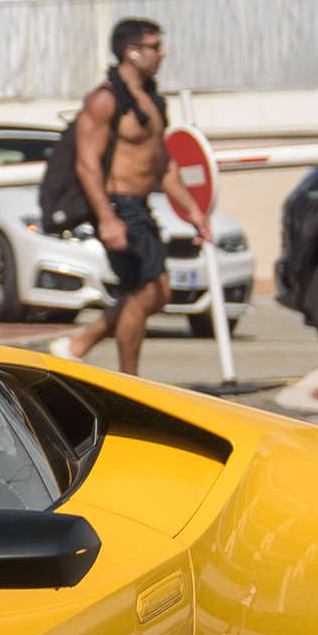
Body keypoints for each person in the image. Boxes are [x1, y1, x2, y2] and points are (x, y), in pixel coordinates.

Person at [48, 19, 212, 375]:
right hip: (117, 205)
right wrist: (107, 218)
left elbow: (163, 165)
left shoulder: (151, 101)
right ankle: (129, 380)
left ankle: (80, 344)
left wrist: (193, 211)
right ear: (132, 52)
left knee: (159, 293)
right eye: (155, 46)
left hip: (139, 206)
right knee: (144, 292)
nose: (162, 53)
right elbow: (87, 164)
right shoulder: (105, 99)